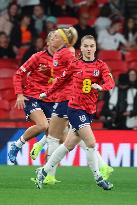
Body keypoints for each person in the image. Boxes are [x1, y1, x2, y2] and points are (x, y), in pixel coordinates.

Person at [31, 28, 113, 181]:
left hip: (79, 104)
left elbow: (109, 81)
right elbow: (62, 77)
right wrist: (47, 92)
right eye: (86, 46)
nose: (52, 38)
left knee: (65, 141)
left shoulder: (70, 54)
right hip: (71, 103)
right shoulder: (68, 57)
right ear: (81, 48)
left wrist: (101, 87)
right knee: (83, 140)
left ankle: (45, 171)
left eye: (56, 36)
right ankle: (98, 175)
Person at [8, 31, 60, 185]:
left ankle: (45, 173)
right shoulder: (38, 57)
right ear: (48, 41)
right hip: (33, 97)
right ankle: (17, 146)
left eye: (61, 38)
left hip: (50, 100)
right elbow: (18, 74)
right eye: (55, 37)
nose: (59, 40)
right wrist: (19, 94)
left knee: (54, 137)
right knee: (43, 125)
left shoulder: (63, 60)